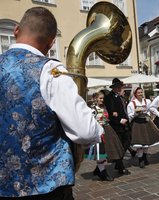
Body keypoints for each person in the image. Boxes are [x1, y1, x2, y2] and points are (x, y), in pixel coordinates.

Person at [0, 7, 104, 199]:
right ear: (52, 42)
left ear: (16, 30)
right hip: (47, 188)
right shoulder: (51, 70)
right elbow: (85, 131)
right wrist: (99, 130)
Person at [88, 92, 125, 181]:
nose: (102, 100)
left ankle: (99, 170)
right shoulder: (93, 109)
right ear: (96, 98)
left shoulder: (104, 107)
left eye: (103, 98)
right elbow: (91, 122)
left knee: (108, 151)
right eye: (100, 98)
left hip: (108, 130)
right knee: (100, 153)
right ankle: (103, 173)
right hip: (99, 132)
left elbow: (107, 118)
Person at [127, 87, 159, 168]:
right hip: (137, 124)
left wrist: (149, 115)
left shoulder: (147, 101)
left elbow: (150, 110)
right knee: (140, 143)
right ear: (135, 94)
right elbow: (129, 115)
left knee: (147, 141)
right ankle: (140, 160)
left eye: (141, 92)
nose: (140, 94)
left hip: (146, 122)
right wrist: (136, 113)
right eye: (138, 93)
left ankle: (144, 157)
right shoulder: (131, 103)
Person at [104, 78, 131, 175]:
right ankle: (121, 167)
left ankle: (118, 162)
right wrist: (119, 120)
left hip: (125, 125)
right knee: (118, 146)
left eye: (120, 86)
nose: (120, 88)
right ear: (114, 88)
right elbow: (112, 113)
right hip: (116, 126)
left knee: (127, 142)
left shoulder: (119, 97)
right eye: (118, 87)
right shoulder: (109, 97)